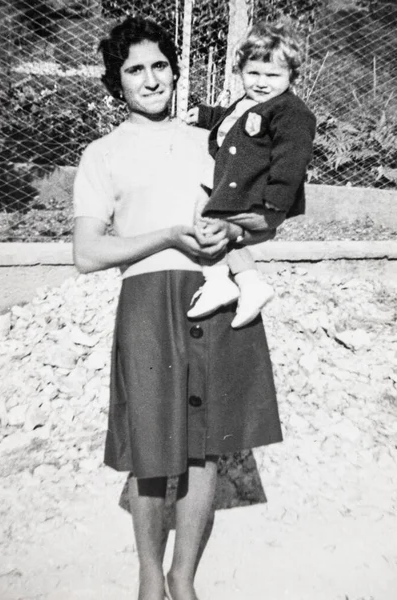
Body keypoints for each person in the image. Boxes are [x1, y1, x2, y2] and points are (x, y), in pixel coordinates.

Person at [73, 16, 282, 600]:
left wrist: (234, 235)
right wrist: (165, 236)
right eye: (135, 69)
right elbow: (88, 252)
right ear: (117, 82)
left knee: (206, 444)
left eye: (160, 65)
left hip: (215, 294)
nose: (151, 78)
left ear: (174, 69)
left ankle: (181, 578)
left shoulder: (212, 139)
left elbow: (261, 216)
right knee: (153, 447)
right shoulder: (103, 153)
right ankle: (148, 579)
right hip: (147, 301)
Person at [186, 20, 316, 329]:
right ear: (240, 70)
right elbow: (232, 121)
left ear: (291, 76)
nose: (261, 82)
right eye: (252, 73)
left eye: (272, 75)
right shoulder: (250, 101)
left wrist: (275, 200)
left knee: (210, 227)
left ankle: (217, 281)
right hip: (230, 186)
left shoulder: (290, 113)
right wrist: (206, 115)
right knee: (223, 235)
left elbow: (292, 160)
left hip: (256, 196)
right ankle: (251, 285)